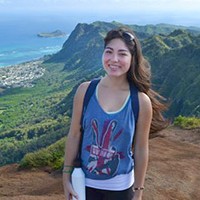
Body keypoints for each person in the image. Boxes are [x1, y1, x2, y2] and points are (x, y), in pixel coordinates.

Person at [63, 26, 168, 200]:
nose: (114, 59)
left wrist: (139, 191)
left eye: (122, 54)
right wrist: (66, 176)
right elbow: (74, 134)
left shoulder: (141, 101)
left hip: (121, 188)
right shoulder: (85, 91)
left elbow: (141, 148)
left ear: (133, 59)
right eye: (109, 52)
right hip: (83, 183)